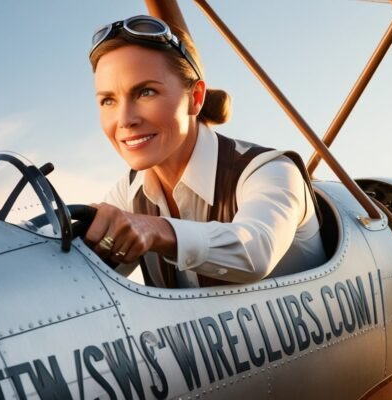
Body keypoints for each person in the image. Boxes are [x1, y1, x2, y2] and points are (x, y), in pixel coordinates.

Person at [85, 15, 326, 288]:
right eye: (108, 100)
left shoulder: (271, 170)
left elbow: (256, 249)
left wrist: (155, 230)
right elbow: (87, 272)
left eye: (146, 92)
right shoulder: (128, 193)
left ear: (195, 98)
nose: (125, 119)